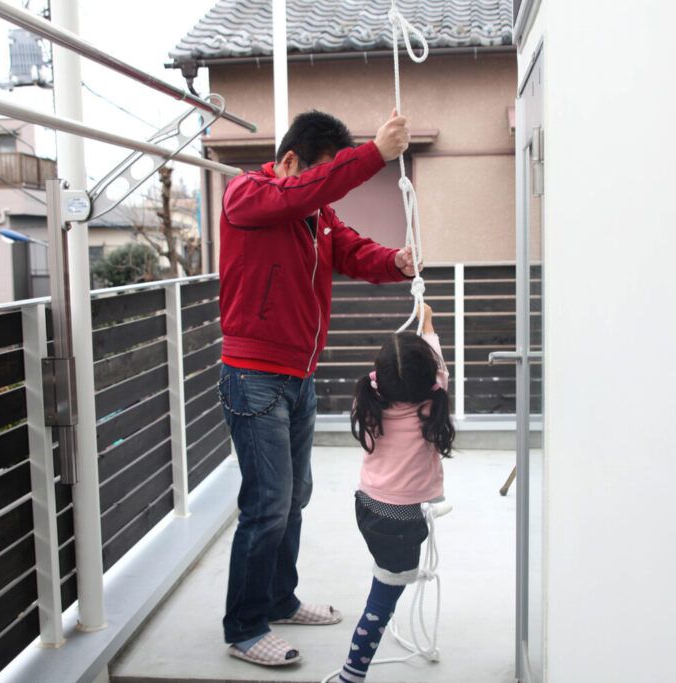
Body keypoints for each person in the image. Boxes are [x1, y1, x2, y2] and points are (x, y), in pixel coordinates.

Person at [217, 109, 418, 667]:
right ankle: (244, 627)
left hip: (297, 377)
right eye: (320, 174)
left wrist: (397, 262)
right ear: (289, 161)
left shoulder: (318, 215)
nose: (324, 188)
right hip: (253, 376)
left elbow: (352, 251)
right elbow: (303, 192)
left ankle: (279, 600)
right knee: (267, 504)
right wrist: (373, 154)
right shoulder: (247, 195)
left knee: (293, 497)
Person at [337, 303, 455, 683]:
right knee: (383, 597)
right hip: (401, 519)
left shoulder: (367, 400)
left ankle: (354, 669)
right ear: (430, 379)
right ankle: (352, 671)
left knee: (385, 579)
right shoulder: (433, 403)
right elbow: (440, 368)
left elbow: (429, 370)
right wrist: (428, 323)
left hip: (367, 506)